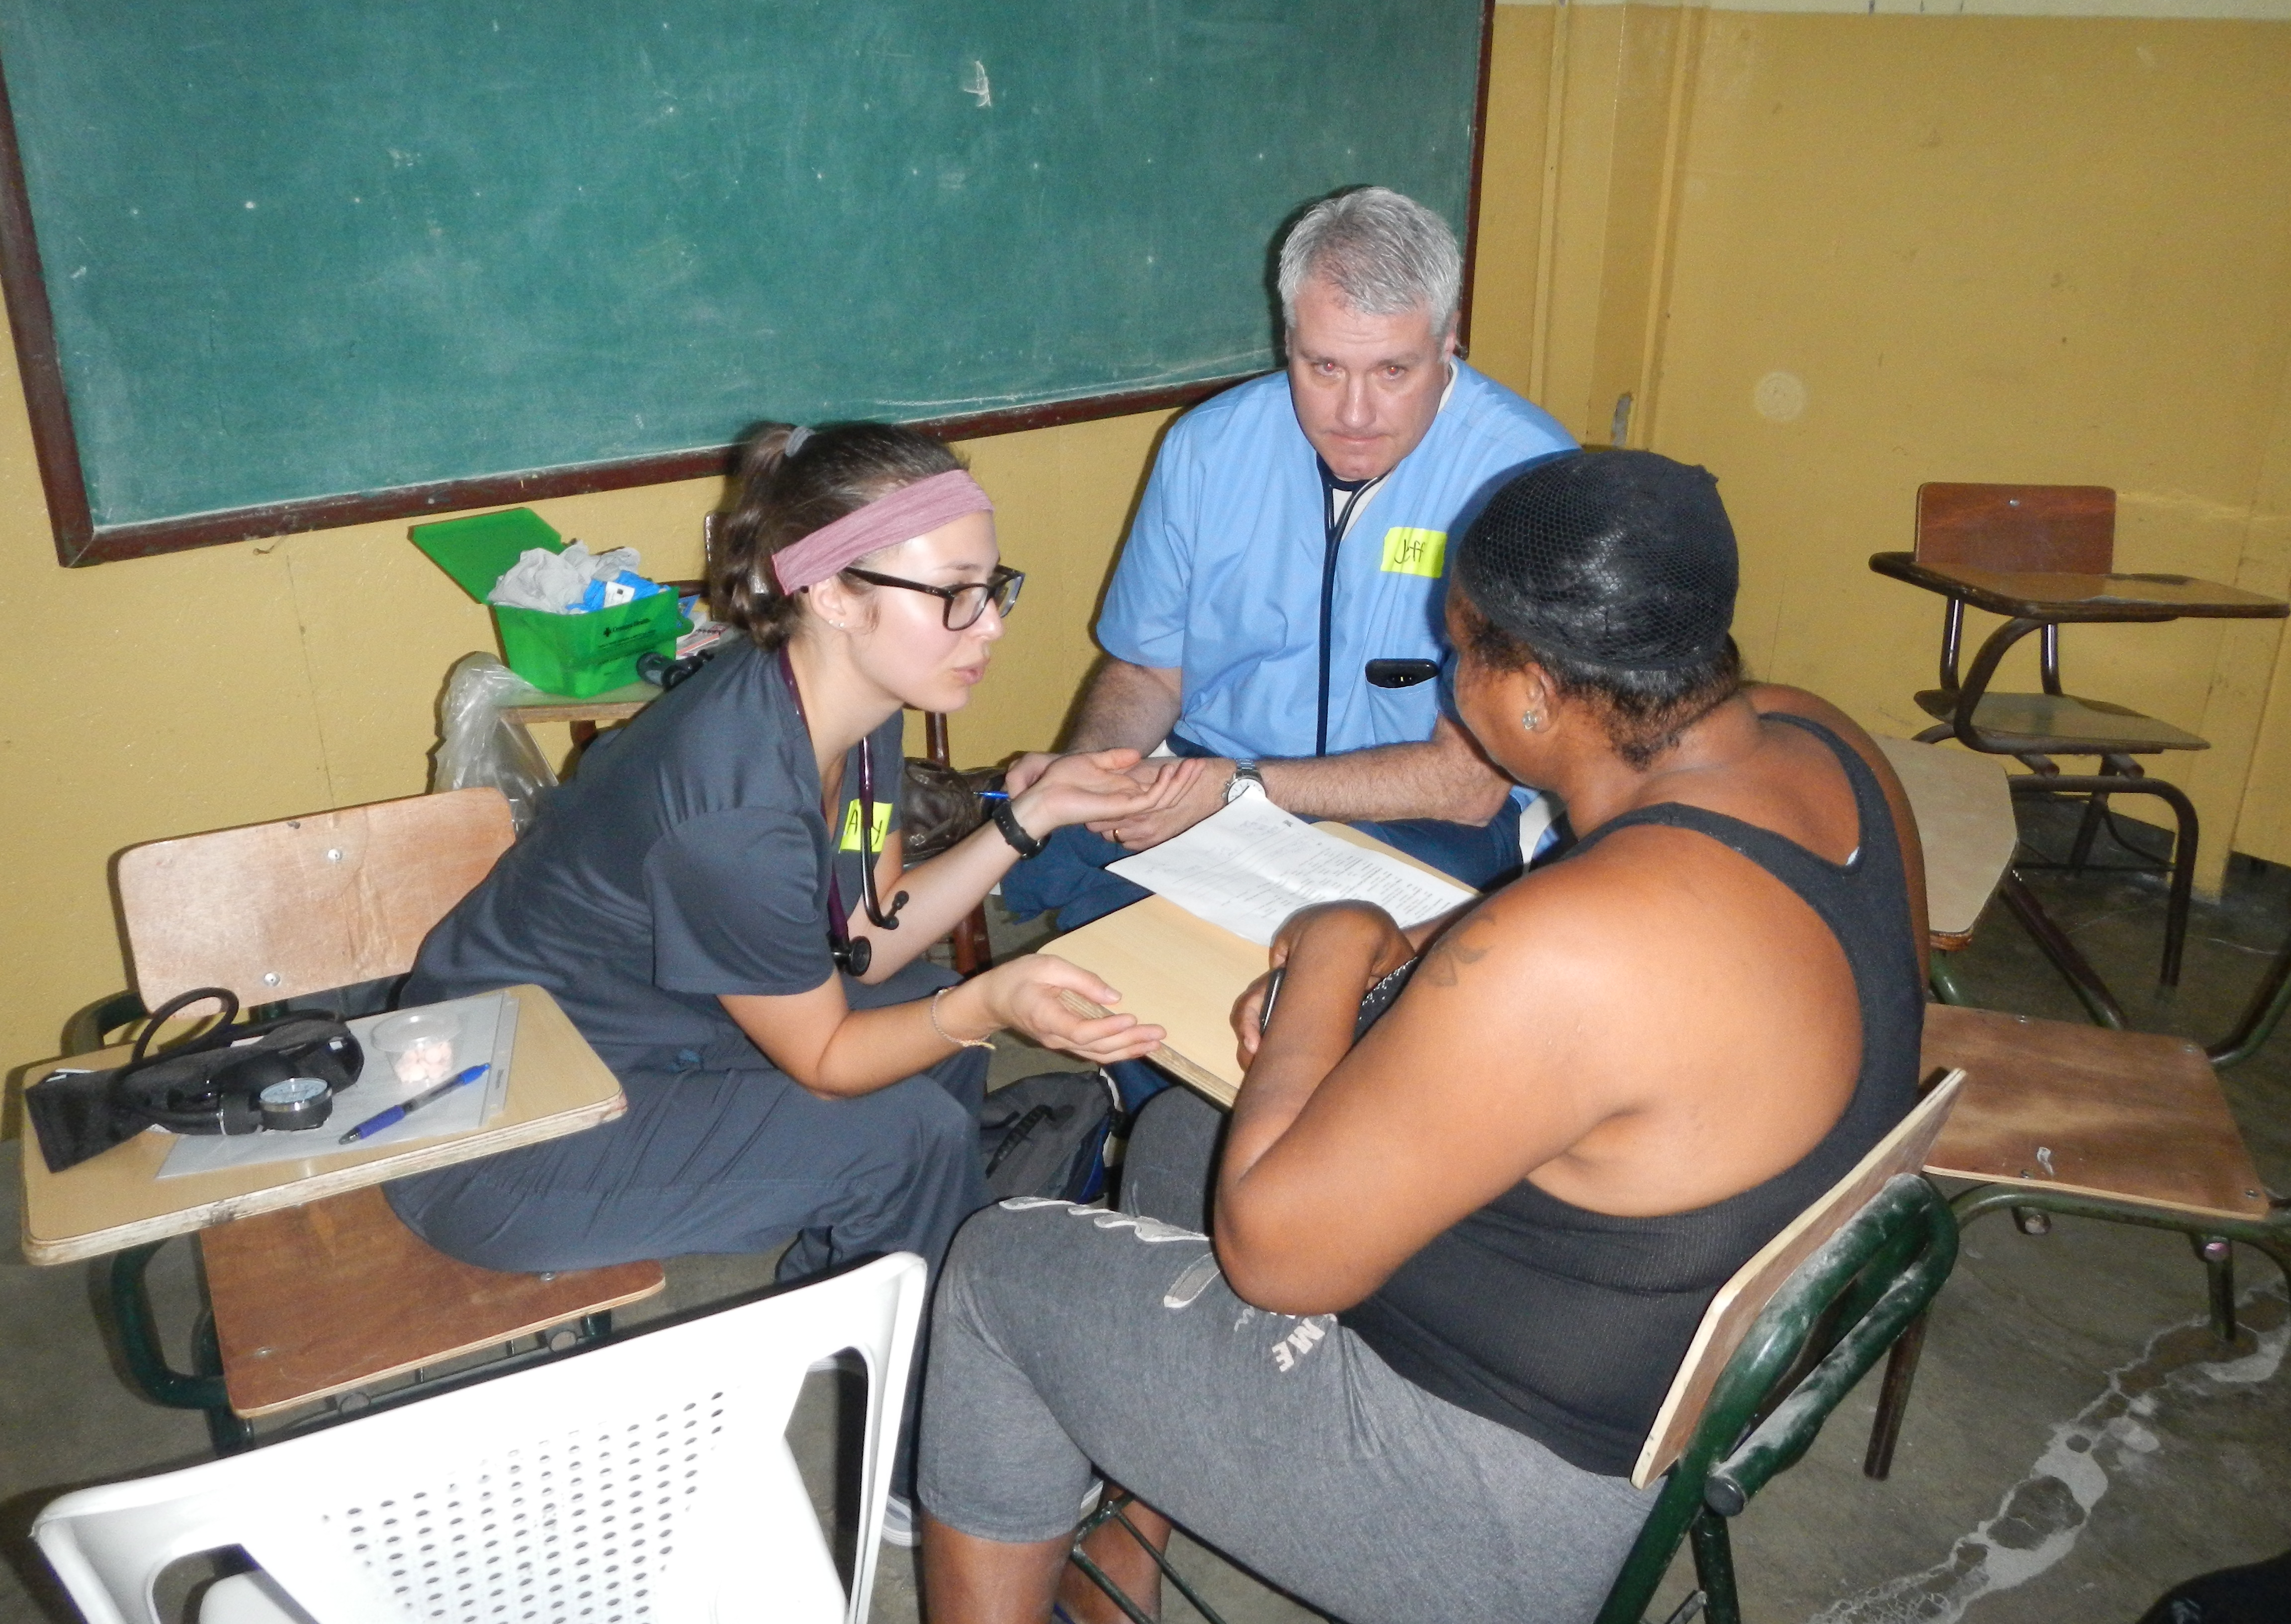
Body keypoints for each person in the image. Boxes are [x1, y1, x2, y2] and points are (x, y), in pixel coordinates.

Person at [916, 450, 1929, 1624]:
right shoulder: (1821, 746)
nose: (1452, 685)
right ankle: (1126, 1563)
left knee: (1001, 1270)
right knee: (1186, 1130)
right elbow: (1623, 932)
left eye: (1463, 653)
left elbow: (1274, 1258)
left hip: (1488, 1507)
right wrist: (1439, 939)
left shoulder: (1574, 952)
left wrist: (1341, 952)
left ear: (1540, 695)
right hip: (1648, 1363)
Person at [386, 420, 1194, 1297]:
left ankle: (854, 1288)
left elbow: (870, 938)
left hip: (651, 1042)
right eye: (954, 594)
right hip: (497, 1131)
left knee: (928, 1022)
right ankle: (926, 1355)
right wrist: (989, 1000)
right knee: (908, 1125)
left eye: (994, 586)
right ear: (833, 594)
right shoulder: (734, 807)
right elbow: (828, 1059)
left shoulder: (862, 708)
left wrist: (1030, 816)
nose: (990, 625)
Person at [1001, 186, 1576, 932]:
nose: (1356, 415)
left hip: (1419, 812)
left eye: (1394, 371)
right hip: (1213, 772)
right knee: (1096, 901)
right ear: (1287, 338)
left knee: (1292, 971)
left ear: (1449, 340)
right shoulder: (1206, 448)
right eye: (1324, 368)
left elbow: (1465, 785)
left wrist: (1240, 792)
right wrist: (1099, 771)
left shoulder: (1528, 479)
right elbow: (1149, 668)